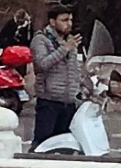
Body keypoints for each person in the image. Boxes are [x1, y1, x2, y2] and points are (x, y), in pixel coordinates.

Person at [32, 6, 87, 146]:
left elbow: (74, 68)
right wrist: (65, 49)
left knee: (64, 143)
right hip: (49, 100)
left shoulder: (70, 41)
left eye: (70, 20)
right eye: (64, 20)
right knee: (42, 142)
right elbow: (41, 65)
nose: (69, 24)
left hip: (69, 101)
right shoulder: (41, 40)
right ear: (52, 22)